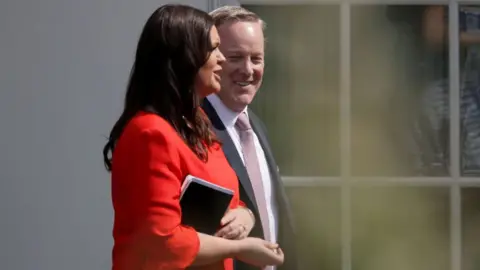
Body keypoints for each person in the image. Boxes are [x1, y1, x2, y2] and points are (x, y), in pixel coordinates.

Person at [102, 4, 284, 270]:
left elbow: (230, 200)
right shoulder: (150, 133)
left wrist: (245, 215)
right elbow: (161, 241)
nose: (221, 59)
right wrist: (240, 247)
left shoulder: (198, 126)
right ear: (184, 58)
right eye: (213, 49)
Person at [202, 6, 298, 270]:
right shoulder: (194, 128)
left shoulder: (255, 125)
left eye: (256, 58)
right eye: (236, 57)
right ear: (211, 58)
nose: (248, 69)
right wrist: (245, 215)